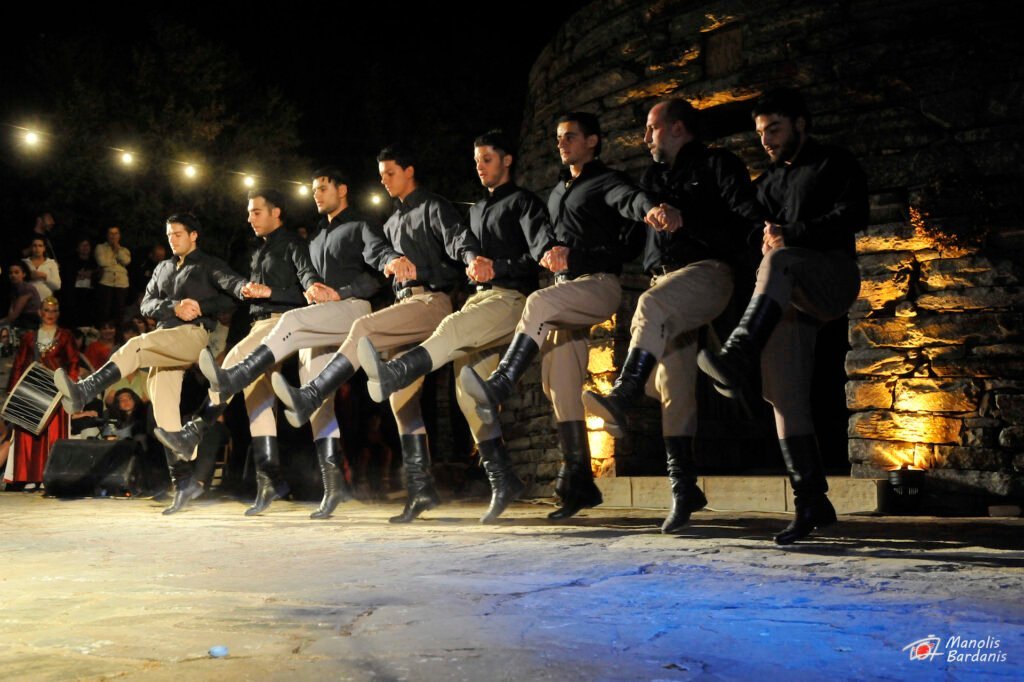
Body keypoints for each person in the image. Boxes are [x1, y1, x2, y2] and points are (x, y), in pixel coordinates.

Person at [461, 112, 680, 520]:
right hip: (567, 293)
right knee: (559, 384)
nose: (561, 144)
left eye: (570, 137)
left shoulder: (607, 181)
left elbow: (628, 203)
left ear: (593, 141)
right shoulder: (558, 191)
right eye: (558, 138)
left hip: (598, 284)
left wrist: (649, 209)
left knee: (538, 303)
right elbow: (546, 242)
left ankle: (503, 382)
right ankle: (579, 482)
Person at [271, 145, 487, 523]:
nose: (384, 180)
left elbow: (455, 238)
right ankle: (422, 491)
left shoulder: (433, 206)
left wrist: (470, 258)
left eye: (389, 173)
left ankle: (311, 394)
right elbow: (380, 267)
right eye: (381, 174)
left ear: (409, 171)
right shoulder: (388, 224)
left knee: (364, 328)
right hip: (402, 308)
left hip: (430, 300)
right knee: (401, 399)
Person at [582, 99, 763, 533]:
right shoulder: (652, 179)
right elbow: (629, 236)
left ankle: (622, 395)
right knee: (672, 388)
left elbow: (744, 223)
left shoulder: (718, 164)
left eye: (652, 128)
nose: (645, 138)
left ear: (678, 128)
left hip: (707, 274)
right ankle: (685, 488)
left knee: (650, 308)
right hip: (663, 282)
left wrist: (689, 221)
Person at [697, 88, 867, 544]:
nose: (766, 139)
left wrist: (791, 234)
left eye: (774, 129)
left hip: (831, 275)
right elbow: (748, 227)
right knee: (783, 394)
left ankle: (735, 355)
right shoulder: (767, 183)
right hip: (787, 295)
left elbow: (854, 214)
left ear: (800, 124)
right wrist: (765, 236)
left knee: (782, 259)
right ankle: (812, 502)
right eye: (760, 133)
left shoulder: (834, 162)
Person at [359, 130, 553, 522]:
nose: (479, 167)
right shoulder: (477, 210)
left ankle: (393, 372)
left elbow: (536, 257)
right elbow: (461, 251)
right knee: (469, 394)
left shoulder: (524, 203)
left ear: (507, 160)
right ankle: (503, 481)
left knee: (447, 331)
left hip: (511, 298)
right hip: (480, 298)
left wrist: (494, 266)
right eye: (477, 160)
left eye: (487, 159)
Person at [197, 168, 398, 519]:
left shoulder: (361, 225)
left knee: (288, 324)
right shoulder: (315, 238)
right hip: (319, 318)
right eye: (313, 189)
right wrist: (309, 290)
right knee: (313, 395)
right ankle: (333, 488)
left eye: (322, 187)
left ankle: (227, 386)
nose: (316, 194)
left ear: (343, 189)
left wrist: (351, 287)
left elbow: (379, 263)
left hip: (350, 309)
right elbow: (307, 278)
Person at [54, 213, 255, 515]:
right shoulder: (162, 268)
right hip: (164, 340)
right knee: (165, 419)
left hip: (191, 336)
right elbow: (146, 304)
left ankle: (86, 390)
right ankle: (184, 483)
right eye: (169, 234)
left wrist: (202, 306)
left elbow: (232, 293)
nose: (173, 239)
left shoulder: (208, 264)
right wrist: (172, 306)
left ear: (193, 235)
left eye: (178, 234)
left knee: (135, 344)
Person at [159, 189, 320, 516]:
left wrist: (269, 291)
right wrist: (239, 294)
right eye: (249, 212)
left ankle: (195, 431)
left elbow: (307, 292)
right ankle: (270, 481)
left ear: (276, 213)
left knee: (231, 365)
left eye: (256, 212)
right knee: (256, 401)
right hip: (257, 324)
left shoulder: (294, 245)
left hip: (281, 323)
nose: (249, 218)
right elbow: (237, 291)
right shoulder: (255, 251)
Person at [5, 297, 78, 490]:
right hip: (31, 391)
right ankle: (29, 475)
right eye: (46, 310)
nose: (50, 315)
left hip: (56, 394)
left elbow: (73, 363)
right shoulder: (29, 337)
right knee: (29, 434)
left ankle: (51, 476)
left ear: (58, 314)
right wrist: (13, 393)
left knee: (53, 435)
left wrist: (69, 389)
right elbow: (19, 364)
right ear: (40, 312)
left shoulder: (65, 336)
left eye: (54, 311)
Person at [94, 226, 132, 323]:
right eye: (111, 233)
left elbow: (126, 261)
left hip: (121, 284)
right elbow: (102, 262)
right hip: (106, 282)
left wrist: (117, 250)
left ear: (119, 236)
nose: (113, 236)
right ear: (107, 235)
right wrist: (115, 261)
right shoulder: (100, 247)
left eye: (116, 233)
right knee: (104, 311)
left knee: (119, 312)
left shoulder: (124, 250)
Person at [1, 263, 41, 328]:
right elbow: (11, 314)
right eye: (10, 273)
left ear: (24, 274)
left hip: (31, 321)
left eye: (16, 272)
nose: (13, 275)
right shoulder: (14, 289)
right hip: (21, 320)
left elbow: (14, 315)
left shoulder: (26, 288)